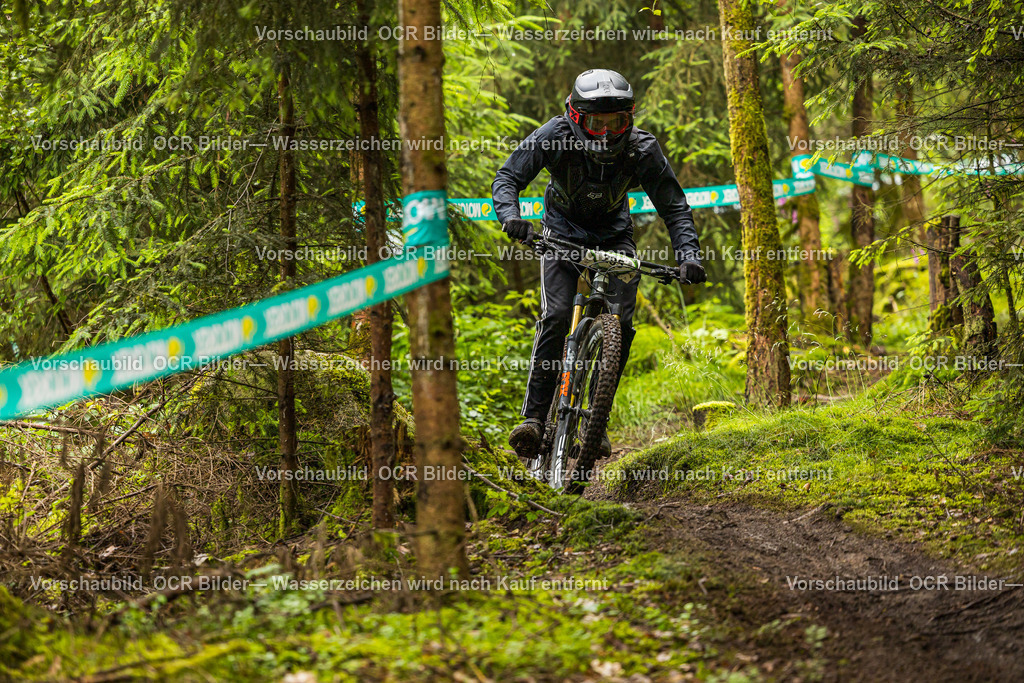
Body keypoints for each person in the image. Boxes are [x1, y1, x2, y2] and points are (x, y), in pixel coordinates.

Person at [491, 68, 706, 460]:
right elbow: (508, 178)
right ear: (575, 118)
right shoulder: (554, 135)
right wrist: (511, 216)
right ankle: (535, 418)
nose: (606, 133)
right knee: (556, 315)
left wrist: (689, 255)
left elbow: (675, 208)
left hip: (614, 235)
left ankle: (595, 420)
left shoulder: (642, 148)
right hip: (560, 232)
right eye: (596, 123)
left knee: (619, 323)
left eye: (617, 122)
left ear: (631, 119)